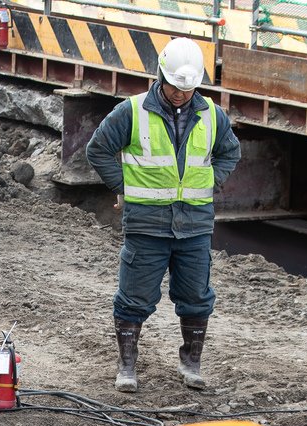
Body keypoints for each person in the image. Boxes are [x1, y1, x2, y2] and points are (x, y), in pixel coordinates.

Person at [85, 37, 241, 394]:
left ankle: (191, 362)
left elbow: (230, 153)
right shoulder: (133, 111)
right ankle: (127, 366)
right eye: (174, 87)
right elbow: (98, 149)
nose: (180, 94)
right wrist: (122, 186)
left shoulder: (212, 115)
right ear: (160, 76)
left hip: (195, 226)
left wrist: (210, 181)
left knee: (197, 297)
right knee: (134, 297)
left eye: (187, 89)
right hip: (147, 224)